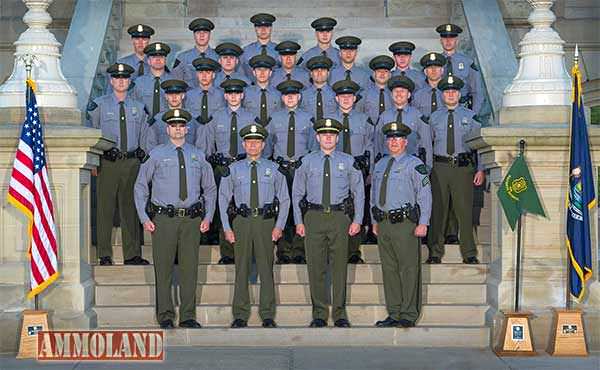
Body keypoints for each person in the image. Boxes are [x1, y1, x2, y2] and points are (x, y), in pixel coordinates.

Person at [134, 108, 217, 329]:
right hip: (164, 220)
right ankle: (166, 315)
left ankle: (188, 315)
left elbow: (209, 188)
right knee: (163, 269)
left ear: (187, 129)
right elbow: (141, 186)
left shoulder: (198, 155)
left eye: (181, 126)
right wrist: (144, 217)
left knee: (189, 269)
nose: (178, 129)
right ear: (167, 128)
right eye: (174, 126)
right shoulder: (157, 154)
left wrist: (208, 216)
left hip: (191, 220)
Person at [292, 118, 364, 328]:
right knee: (316, 268)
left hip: (339, 217)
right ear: (317, 137)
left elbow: (358, 193)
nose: (328, 138)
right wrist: (298, 221)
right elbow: (297, 193)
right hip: (313, 218)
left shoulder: (348, 161)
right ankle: (319, 314)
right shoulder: (306, 161)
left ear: (337, 137)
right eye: (324, 134)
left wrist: (357, 220)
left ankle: (340, 314)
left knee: (340, 266)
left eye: (332, 135)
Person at [219, 123, 290, 329]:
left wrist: (279, 226)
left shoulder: (273, 169)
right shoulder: (233, 169)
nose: (252, 145)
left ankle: (267, 314)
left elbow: (285, 200)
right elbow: (223, 200)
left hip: (265, 223)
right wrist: (227, 227)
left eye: (257, 141)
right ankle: (240, 314)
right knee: (241, 269)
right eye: (249, 141)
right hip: (241, 222)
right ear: (243, 144)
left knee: (266, 268)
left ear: (263, 144)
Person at [87, 63, 153, 266]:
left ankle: (132, 254)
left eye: (124, 78)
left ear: (130, 81)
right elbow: (93, 132)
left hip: (132, 162)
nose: (121, 81)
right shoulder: (99, 105)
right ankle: (104, 254)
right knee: (105, 209)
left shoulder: (139, 107)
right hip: (108, 162)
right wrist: (97, 158)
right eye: (117, 78)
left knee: (131, 208)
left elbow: (144, 134)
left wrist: (143, 156)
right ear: (111, 81)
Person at [372, 122, 432, 328]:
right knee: (389, 270)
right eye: (390, 139)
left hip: (406, 223)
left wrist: (423, 223)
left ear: (405, 142)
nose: (393, 142)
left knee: (408, 269)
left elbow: (425, 195)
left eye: (397, 139)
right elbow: (374, 196)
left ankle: (408, 313)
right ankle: (394, 312)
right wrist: (374, 221)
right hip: (384, 223)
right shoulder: (380, 165)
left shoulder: (415, 164)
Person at [426, 75, 484, 265]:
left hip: (463, 169)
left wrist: (480, 169)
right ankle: (434, 251)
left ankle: (469, 252)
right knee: (438, 210)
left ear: (459, 94)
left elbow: (479, 146)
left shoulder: (470, 117)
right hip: (440, 168)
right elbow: (428, 144)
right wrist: (428, 169)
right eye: (447, 92)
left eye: (454, 91)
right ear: (443, 95)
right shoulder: (434, 118)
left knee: (464, 211)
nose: (450, 95)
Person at [205, 79, 255, 264]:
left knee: (245, 208)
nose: (233, 96)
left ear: (242, 95)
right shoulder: (216, 117)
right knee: (224, 208)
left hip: (244, 167)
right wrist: (212, 160)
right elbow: (208, 144)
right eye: (230, 93)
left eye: (237, 93)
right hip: (223, 168)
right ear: (225, 96)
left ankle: (247, 250)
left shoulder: (250, 118)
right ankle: (227, 253)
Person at [266, 80, 316, 264]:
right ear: (282, 97)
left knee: (301, 208)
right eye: (287, 95)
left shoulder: (308, 119)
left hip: (301, 168)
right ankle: (284, 251)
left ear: (299, 97)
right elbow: (268, 146)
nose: (290, 98)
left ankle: (300, 250)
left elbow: (313, 146)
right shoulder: (274, 118)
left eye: (293, 95)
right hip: (281, 169)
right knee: (283, 209)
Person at [330, 79, 374, 264]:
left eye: (349, 96)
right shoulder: (329, 119)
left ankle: (353, 251)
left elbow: (371, 146)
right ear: (336, 98)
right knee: (336, 209)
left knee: (357, 208)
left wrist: (370, 171)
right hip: (334, 169)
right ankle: (334, 248)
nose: (346, 99)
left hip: (357, 168)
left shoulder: (364, 120)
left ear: (355, 98)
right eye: (342, 96)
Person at [374, 75, 433, 169]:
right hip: (387, 165)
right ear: (391, 94)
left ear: (409, 95)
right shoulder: (384, 116)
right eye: (396, 91)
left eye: (402, 91)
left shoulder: (418, 116)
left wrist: (427, 168)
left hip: (411, 165)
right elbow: (377, 144)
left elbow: (426, 143)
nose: (399, 94)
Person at [436, 23, 484, 116]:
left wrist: (473, 115)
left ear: (457, 41)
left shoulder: (468, 62)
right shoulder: (434, 63)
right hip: (439, 110)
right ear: (441, 41)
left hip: (462, 108)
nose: (448, 41)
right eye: (445, 38)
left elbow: (477, 92)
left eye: (452, 38)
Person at [147, 79, 205, 151]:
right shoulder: (157, 120)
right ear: (166, 96)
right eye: (170, 94)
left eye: (177, 94)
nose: (174, 97)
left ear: (183, 95)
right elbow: (151, 147)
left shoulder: (194, 119)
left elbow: (201, 147)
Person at [172, 18, 219, 88]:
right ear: (194, 35)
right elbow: (175, 82)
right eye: (198, 32)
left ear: (210, 34)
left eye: (205, 32)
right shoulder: (182, 58)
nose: (201, 35)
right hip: (189, 98)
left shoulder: (219, 57)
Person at [132, 42, 173, 119]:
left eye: (161, 56)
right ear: (148, 61)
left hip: (168, 125)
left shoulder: (174, 81)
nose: (158, 60)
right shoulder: (138, 82)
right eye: (154, 57)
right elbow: (134, 106)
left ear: (165, 60)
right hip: (144, 125)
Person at [185, 57, 226, 130]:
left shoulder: (222, 95)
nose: (204, 76)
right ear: (197, 75)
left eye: (207, 72)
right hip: (194, 132)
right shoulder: (188, 95)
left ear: (213, 75)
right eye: (201, 72)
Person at [243, 55, 280, 126]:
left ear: (270, 73)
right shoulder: (245, 93)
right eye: (259, 69)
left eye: (265, 69)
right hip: (251, 133)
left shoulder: (278, 94)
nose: (262, 73)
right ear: (254, 72)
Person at [240, 13, 280, 78]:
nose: (263, 30)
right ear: (255, 28)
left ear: (271, 28)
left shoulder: (279, 51)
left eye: (266, 26)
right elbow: (240, 74)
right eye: (259, 27)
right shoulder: (246, 51)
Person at [411, 52, 446, 120]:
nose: (433, 70)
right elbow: (414, 117)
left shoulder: (450, 93)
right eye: (430, 67)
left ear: (442, 71)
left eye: (436, 67)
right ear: (425, 72)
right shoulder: (418, 95)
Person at [300, 56, 336, 121]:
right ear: (311, 74)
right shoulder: (302, 95)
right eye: (316, 70)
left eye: (323, 70)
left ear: (328, 73)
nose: (319, 73)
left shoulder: (336, 94)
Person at [363, 55, 394, 125]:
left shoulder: (395, 94)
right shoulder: (364, 94)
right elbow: (358, 115)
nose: (382, 74)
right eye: (379, 71)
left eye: (385, 71)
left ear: (390, 75)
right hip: (370, 132)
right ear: (374, 74)